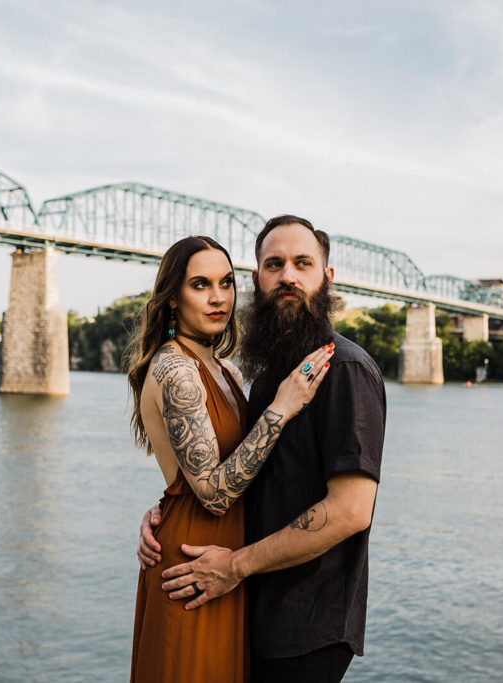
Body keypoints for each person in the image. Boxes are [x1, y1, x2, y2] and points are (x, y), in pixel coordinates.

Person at [138, 216, 387, 683]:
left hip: (303, 618)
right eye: (274, 264)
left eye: (303, 263)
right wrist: (168, 506)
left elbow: (353, 511)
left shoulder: (345, 370)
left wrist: (234, 564)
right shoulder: (270, 373)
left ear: (327, 278)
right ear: (259, 280)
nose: (288, 276)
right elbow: (221, 473)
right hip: (229, 588)